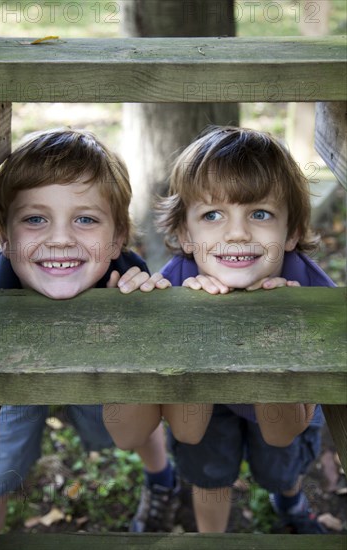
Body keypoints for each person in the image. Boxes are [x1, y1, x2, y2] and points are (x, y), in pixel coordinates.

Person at [0, 128, 174, 534]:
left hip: (100, 367)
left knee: (132, 431)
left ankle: (161, 479)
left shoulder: (125, 277)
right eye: (35, 219)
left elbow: (144, 394)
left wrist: (138, 311)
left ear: (118, 236)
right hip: (12, 379)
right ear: (4, 236)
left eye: (85, 219)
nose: (60, 239)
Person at [154, 125, 335, 533]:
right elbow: (186, 423)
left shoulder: (312, 295)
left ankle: (289, 501)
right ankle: (211, 538)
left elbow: (281, 432)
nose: (237, 233)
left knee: (279, 466)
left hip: (281, 405)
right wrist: (191, 313)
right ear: (185, 233)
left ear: (290, 233)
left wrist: (282, 331)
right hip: (210, 399)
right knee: (208, 470)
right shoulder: (176, 281)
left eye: (260, 213)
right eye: (212, 215)